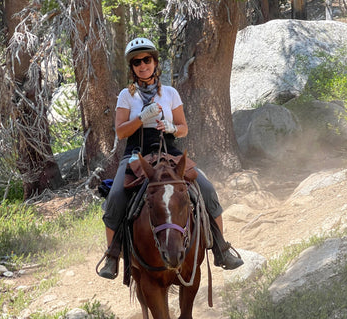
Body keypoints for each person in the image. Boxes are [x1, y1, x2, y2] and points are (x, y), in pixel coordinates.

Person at [98, 37, 243, 279]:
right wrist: (141, 119)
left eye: (147, 60)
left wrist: (172, 127)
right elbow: (121, 131)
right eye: (137, 62)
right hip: (136, 154)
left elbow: (184, 127)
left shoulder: (171, 93)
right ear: (132, 68)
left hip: (169, 152)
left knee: (206, 189)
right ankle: (112, 257)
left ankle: (220, 248)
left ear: (155, 62)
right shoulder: (126, 95)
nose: (143, 65)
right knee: (115, 198)